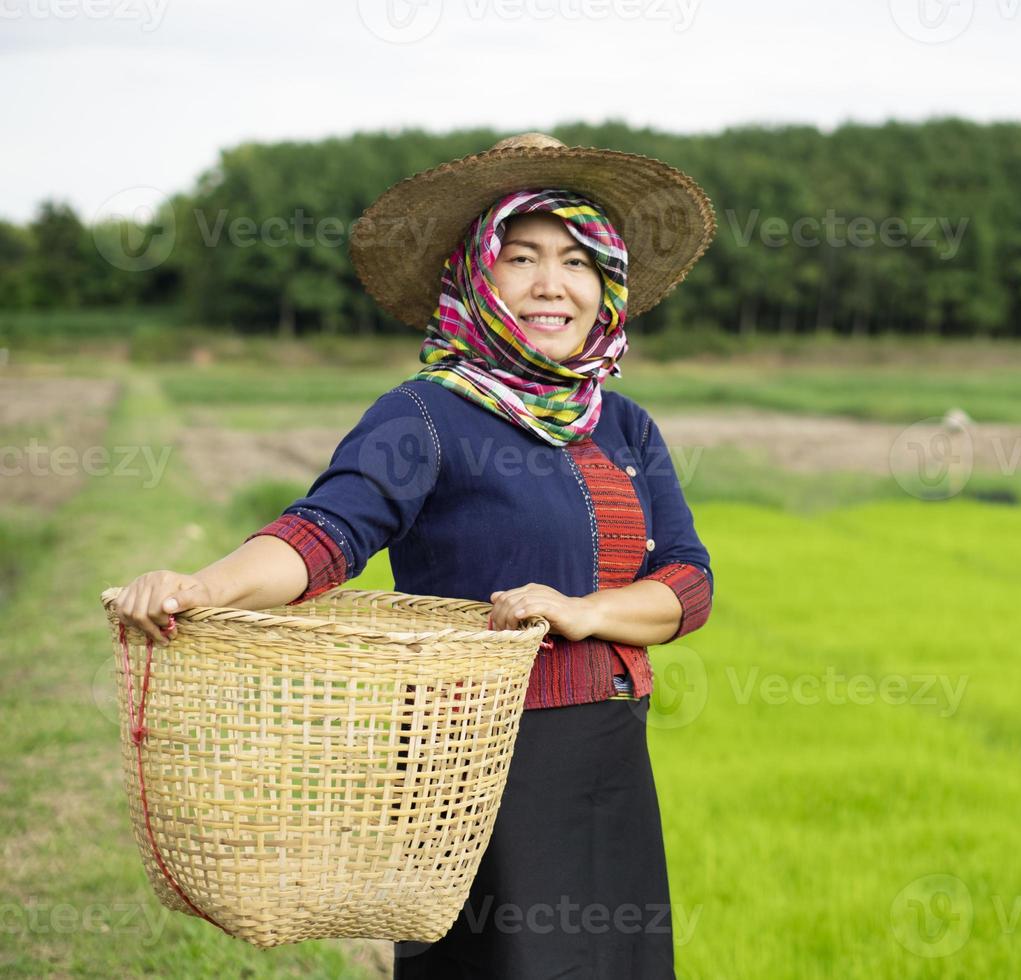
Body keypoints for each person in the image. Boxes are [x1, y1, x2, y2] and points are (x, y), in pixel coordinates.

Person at [112, 132, 719, 977]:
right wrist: (202, 586)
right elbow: (326, 535)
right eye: (521, 257)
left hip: (611, 755)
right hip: (473, 769)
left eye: (579, 262)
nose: (553, 284)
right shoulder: (427, 415)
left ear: (606, 285)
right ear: (474, 274)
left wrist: (583, 613)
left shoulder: (624, 425)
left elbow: (688, 581)